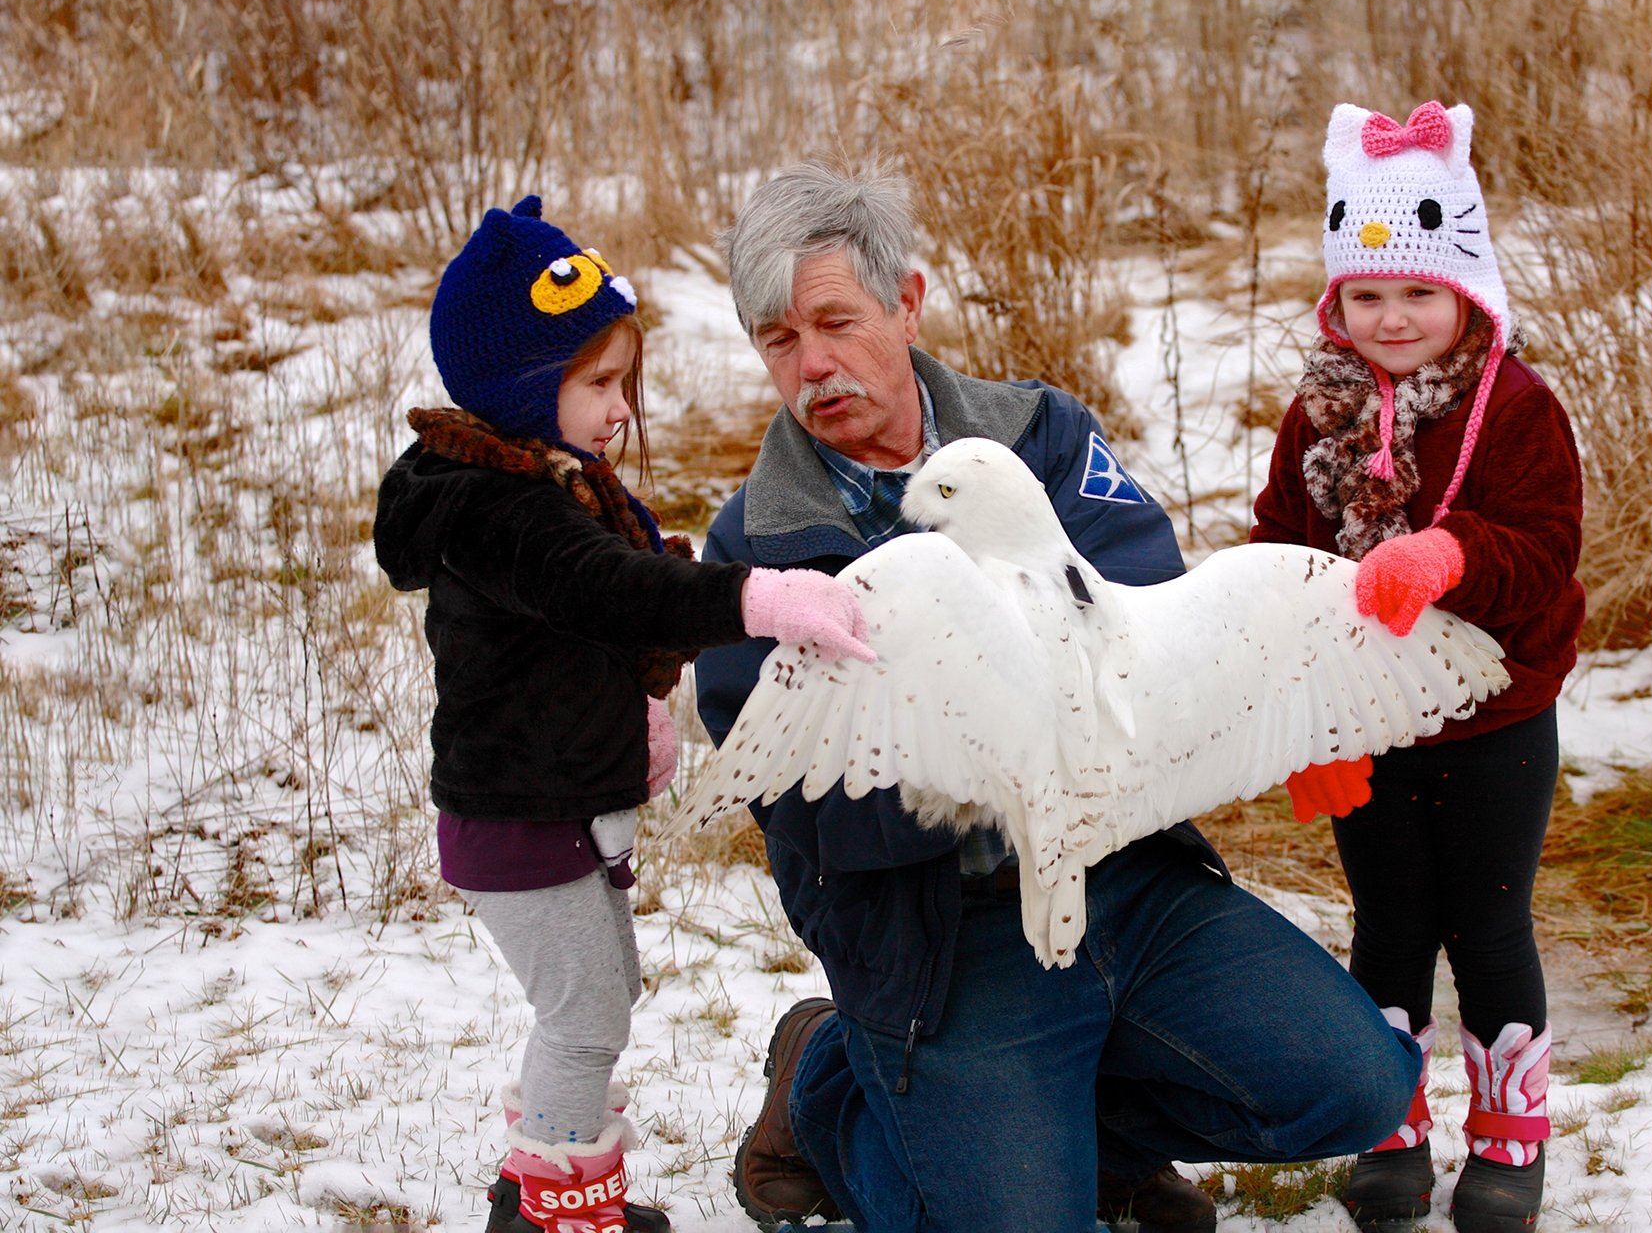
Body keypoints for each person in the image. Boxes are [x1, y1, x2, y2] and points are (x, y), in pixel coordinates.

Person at [694, 161, 1423, 1233]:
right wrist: (998, 767)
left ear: (907, 300)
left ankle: (1089, 1139)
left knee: (1359, 1083)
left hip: (1126, 875)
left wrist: (1054, 753)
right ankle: (834, 1093)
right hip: (946, 938)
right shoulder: (756, 548)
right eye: (778, 340)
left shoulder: (1042, 437)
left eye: (835, 321)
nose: (814, 366)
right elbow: (808, 801)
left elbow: (1145, 618)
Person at [373, 196, 874, 1233]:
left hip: (547, 809)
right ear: (521, 387)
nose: (619, 409)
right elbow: (613, 591)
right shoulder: (497, 512)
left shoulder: (539, 488)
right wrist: (761, 598)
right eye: (598, 383)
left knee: (601, 996)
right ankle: (562, 1214)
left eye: (622, 381)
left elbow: (615, 581)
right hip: (520, 818)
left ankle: (545, 1179)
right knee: (587, 1011)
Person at [1250, 102, 1585, 1233]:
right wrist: (1301, 711)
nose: (1393, 318)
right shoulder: (1318, 416)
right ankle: (1390, 1124)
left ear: (1468, 293)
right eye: (1367, 294)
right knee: (1389, 921)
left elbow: (1544, 550)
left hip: (1494, 713)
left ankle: (1510, 1135)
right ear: (1337, 300)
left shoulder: (1519, 410)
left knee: (1488, 923)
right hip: (1368, 721)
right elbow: (1281, 553)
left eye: (1420, 292)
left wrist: (1451, 551)